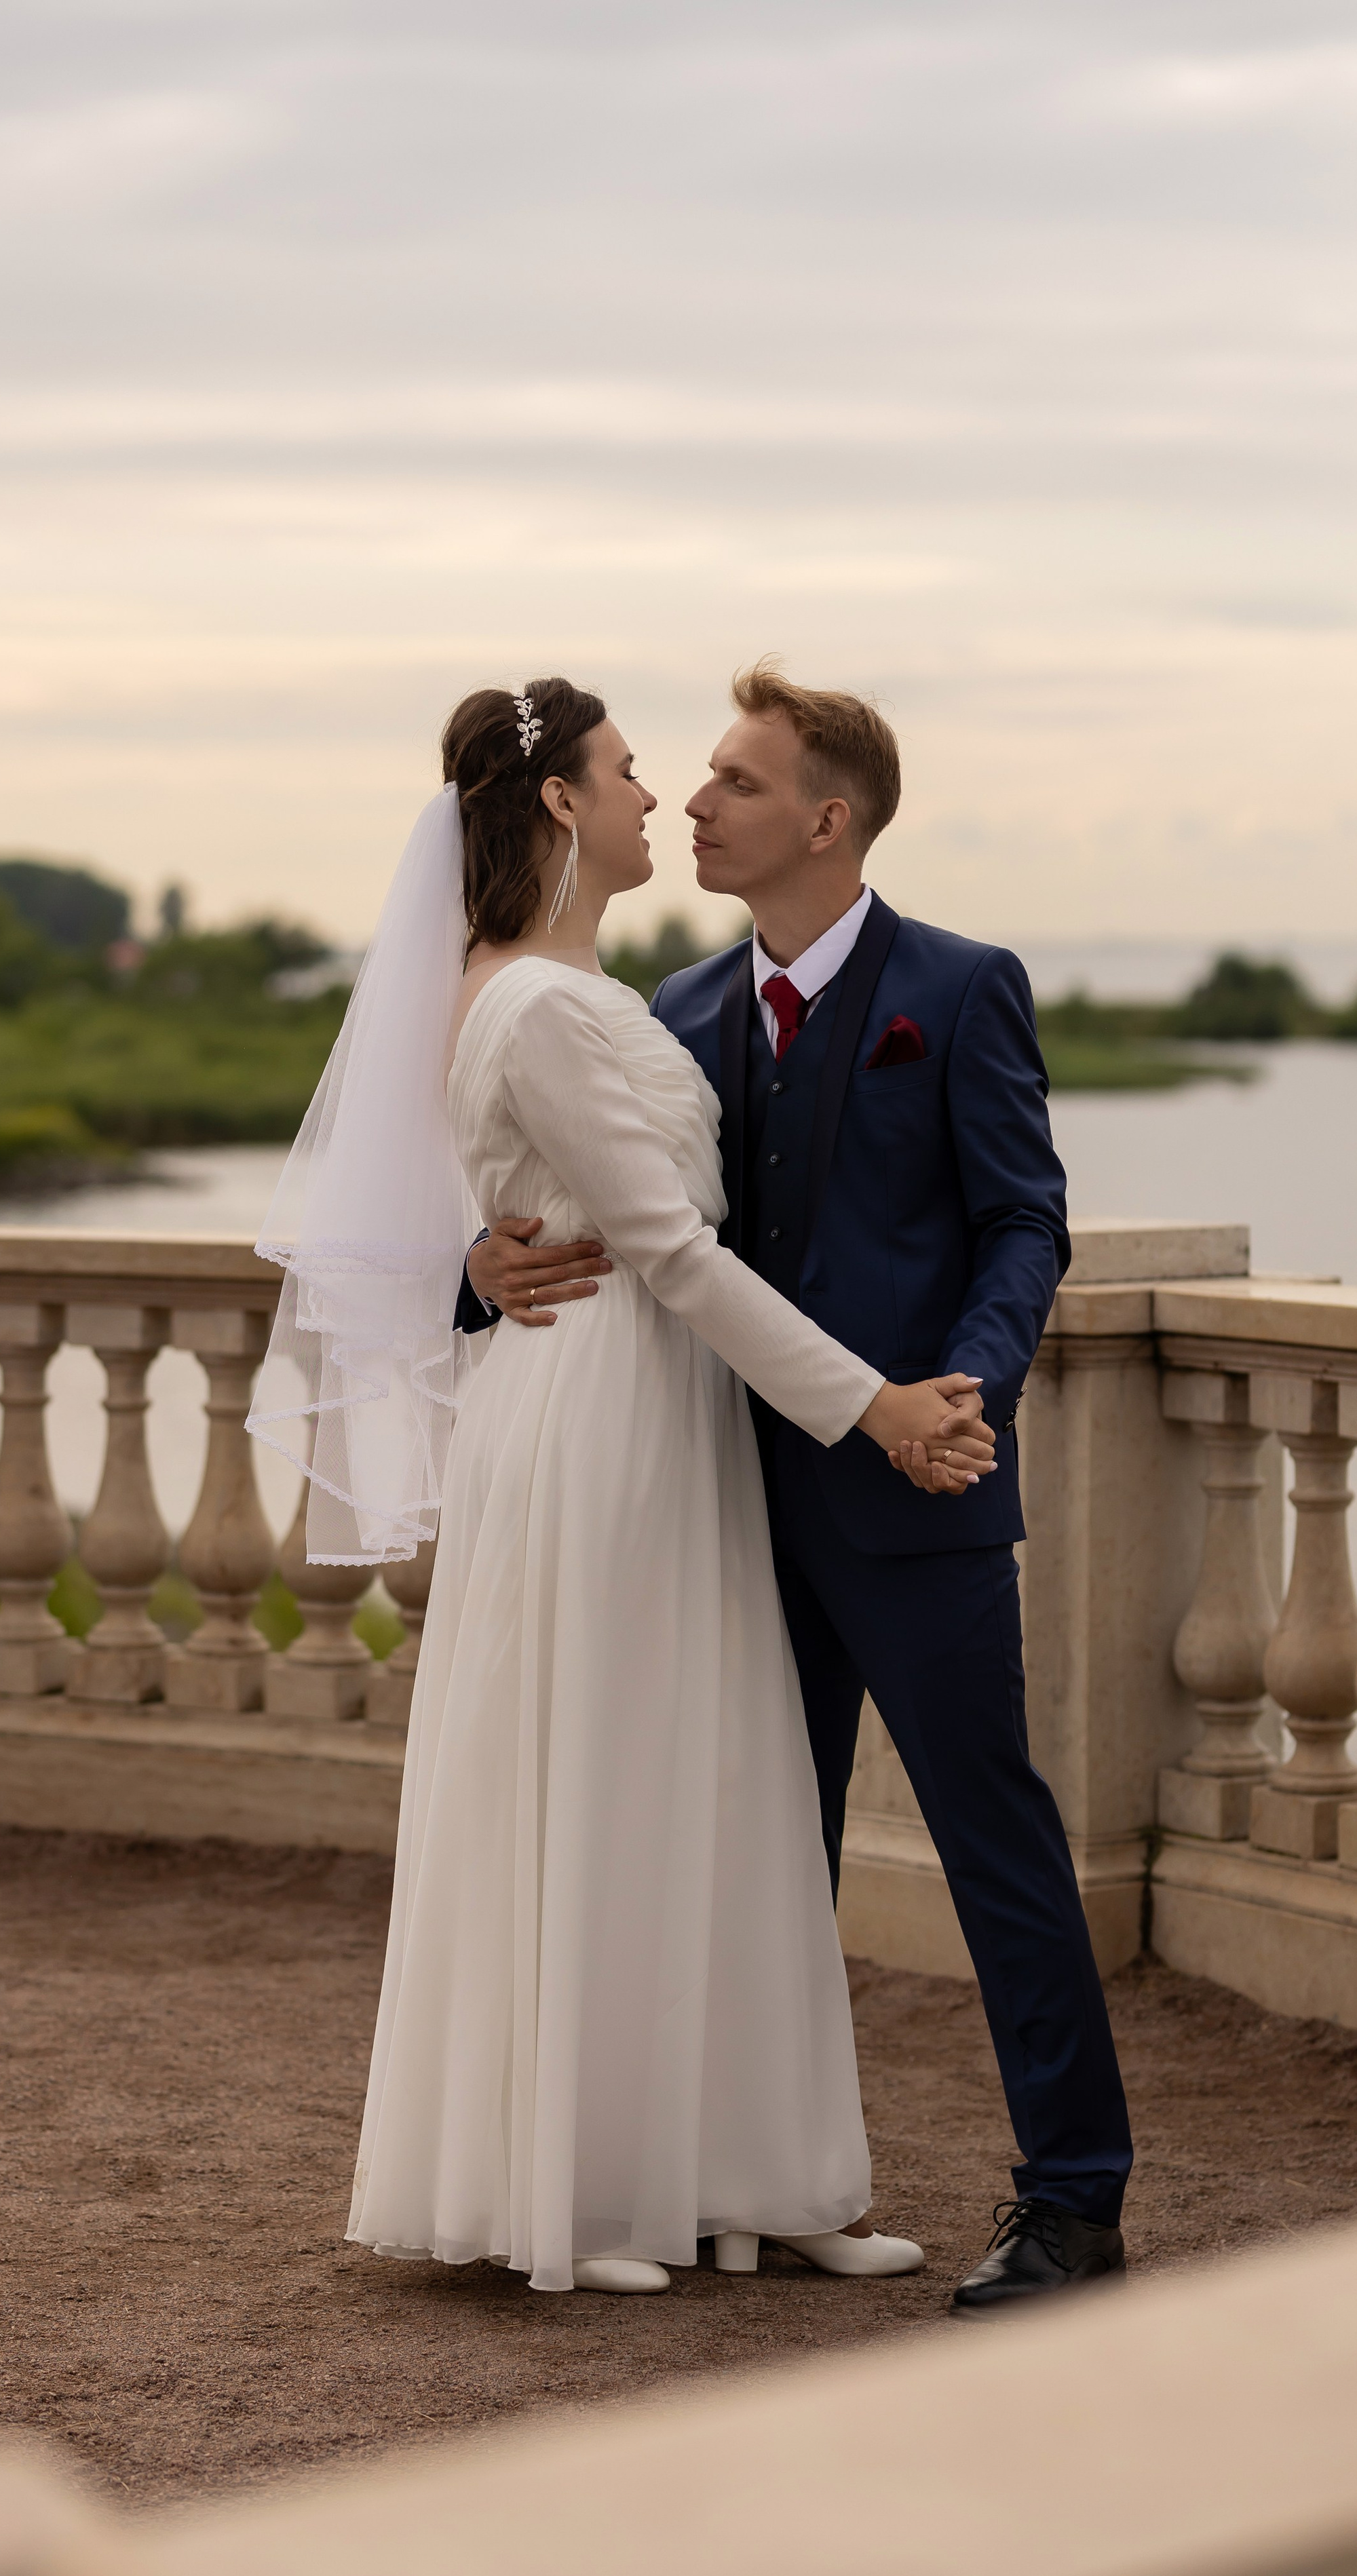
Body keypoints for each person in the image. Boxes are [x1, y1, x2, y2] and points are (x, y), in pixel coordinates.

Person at [250, 677, 995, 2295]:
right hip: (600, 1413)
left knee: (707, 1788)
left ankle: (752, 2180)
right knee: (600, 1782)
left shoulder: (606, 992)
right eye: (628, 773)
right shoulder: (531, 1002)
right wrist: (868, 1404)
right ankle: (578, 2196)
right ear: (560, 810)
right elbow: (661, 1250)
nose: (659, 797)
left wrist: (481, 1236)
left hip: (674, 1421)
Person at [465, 665, 1133, 2313]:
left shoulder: (961, 990)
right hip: (708, 1508)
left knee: (997, 1844)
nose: (694, 803)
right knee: (752, 1854)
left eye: (737, 783)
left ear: (824, 820)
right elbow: (591, 1226)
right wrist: (477, 1274)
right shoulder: (668, 1015)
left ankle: (1071, 2201)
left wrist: (962, 1389)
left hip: (915, 1493)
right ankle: (733, 2183)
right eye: (683, 778)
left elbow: (1022, 1223)